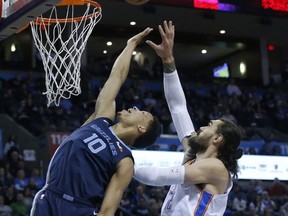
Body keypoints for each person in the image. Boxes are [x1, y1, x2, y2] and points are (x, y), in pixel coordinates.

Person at [30, 27, 160, 216]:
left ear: (141, 128)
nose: (135, 108)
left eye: (143, 113)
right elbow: (116, 77)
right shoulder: (101, 118)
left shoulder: (125, 161)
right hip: (49, 198)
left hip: (79, 209)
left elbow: (107, 211)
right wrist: (130, 44)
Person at [134, 21, 243, 215]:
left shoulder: (216, 168)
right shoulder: (195, 156)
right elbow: (178, 108)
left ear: (217, 139)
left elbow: (157, 176)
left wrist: (118, 160)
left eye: (209, 125)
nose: (201, 127)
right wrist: (168, 60)